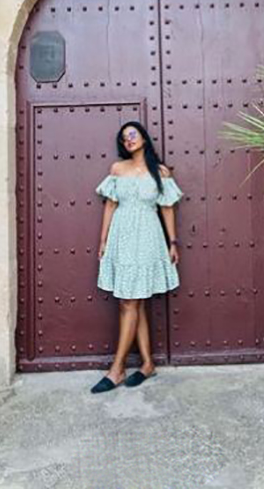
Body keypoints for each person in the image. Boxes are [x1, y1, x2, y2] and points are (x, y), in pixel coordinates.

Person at [90, 121, 184, 394]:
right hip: (122, 237)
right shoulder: (118, 169)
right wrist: (103, 240)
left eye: (133, 134)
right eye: (124, 138)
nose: (128, 139)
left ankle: (117, 368)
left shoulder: (161, 172)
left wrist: (173, 242)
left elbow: (167, 208)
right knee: (133, 301)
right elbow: (110, 205)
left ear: (144, 138)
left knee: (130, 301)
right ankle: (147, 363)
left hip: (147, 238)